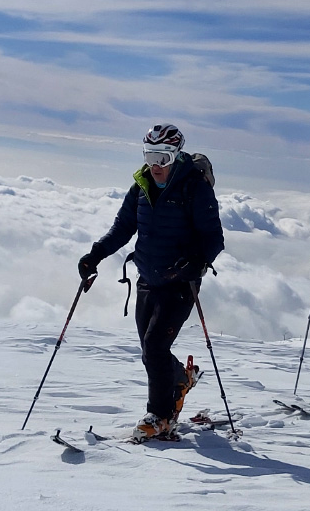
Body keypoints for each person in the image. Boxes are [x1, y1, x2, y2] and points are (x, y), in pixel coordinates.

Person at [78, 124, 224, 440]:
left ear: (176, 156)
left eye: (163, 156)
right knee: (150, 349)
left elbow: (214, 237)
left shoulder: (194, 187)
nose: (155, 164)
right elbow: (122, 228)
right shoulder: (141, 186)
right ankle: (181, 380)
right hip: (148, 277)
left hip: (180, 283)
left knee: (156, 346)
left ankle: (159, 416)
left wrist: (196, 263)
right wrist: (95, 255)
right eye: (150, 155)